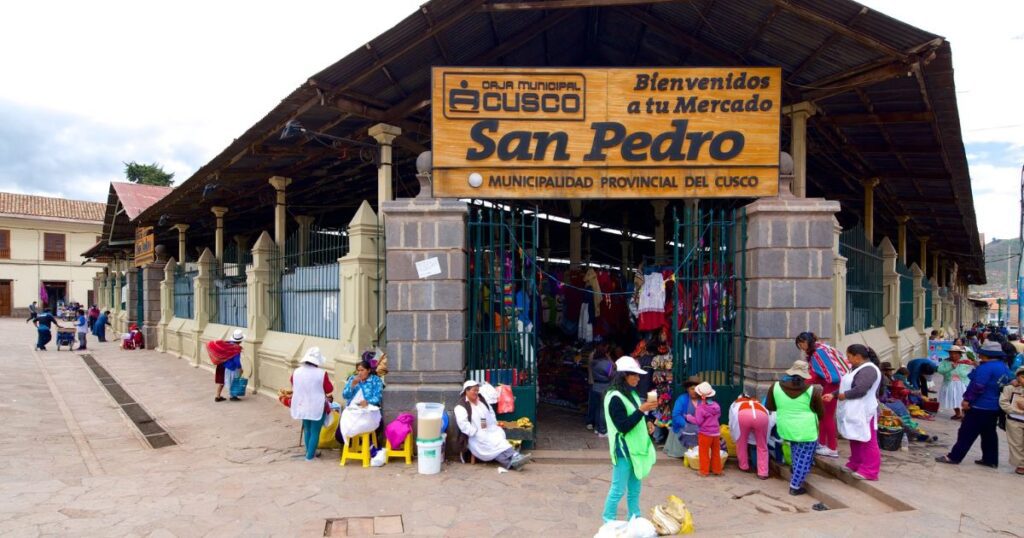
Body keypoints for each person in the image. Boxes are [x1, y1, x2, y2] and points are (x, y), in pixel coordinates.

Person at [936, 340, 1013, 468]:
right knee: (989, 434)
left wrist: (967, 400)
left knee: (966, 432)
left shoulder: (985, 368)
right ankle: (990, 460)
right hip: (994, 407)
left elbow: (978, 386)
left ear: (986, 355)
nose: (980, 356)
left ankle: (954, 457)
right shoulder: (1003, 367)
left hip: (979, 406)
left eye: (982, 354)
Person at [601, 356, 658, 523]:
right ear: (624, 375)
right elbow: (623, 426)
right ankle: (608, 520)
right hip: (623, 450)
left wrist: (647, 422)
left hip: (635, 448)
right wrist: (641, 410)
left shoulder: (631, 394)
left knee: (635, 488)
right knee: (618, 489)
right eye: (635, 375)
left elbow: (634, 415)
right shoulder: (614, 397)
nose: (638, 379)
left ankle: (635, 518)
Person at [823, 345, 882, 481]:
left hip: (865, 410)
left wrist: (843, 396)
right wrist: (833, 395)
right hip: (854, 410)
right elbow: (848, 386)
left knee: (868, 439)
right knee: (855, 437)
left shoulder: (869, 370)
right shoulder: (856, 369)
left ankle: (870, 470)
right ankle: (855, 463)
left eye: (849, 357)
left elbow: (860, 389)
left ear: (858, 357)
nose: (848, 360)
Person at [766, 360, 824, 496]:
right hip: (806, 429)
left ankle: (796, 469)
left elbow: (770, 406)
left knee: (795, 451)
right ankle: (795, 486)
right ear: (805, 375)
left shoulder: (775, 387)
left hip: (786, 427)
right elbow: (820, 412)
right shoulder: (812, 391)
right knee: (804, 456)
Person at [795, 332, 850, 457]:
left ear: (807, 342)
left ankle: (832, 447)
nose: (801, 346)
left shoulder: (818, 353)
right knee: (823, 415)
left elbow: (829, 375)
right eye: (799, 344)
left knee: (826, 416)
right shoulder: (823, 348)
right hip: (832, 385)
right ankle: (822, 443)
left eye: (801, 343)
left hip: (832, 386)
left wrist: (804, 381)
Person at [454, 380, 530, 470]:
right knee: (490, 445)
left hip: (489, 430)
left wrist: (493, 424)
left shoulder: (481, 399)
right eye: (474, 390)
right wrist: (475, 432)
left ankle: (512, 462)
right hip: (474, 436)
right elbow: (463, 424)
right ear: (466, 391)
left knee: (497, 438)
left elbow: (490, 412)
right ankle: (515, 456)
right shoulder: (460, 406)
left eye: (477, 390)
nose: (476, 393)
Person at [290, 347, 334, 461]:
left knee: (307, 429)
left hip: (302, 404)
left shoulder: (296, 371)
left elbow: (292, 382)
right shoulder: (321, 373)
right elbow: (329, 389)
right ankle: (310, 456)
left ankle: (309, 451)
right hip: (317, 405)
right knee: (315, 431)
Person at [338, 359, 385, 444]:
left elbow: (378, 397)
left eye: (362, 370)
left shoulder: (375, 380)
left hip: (369, 410)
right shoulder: (353, 379)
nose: (360, 373)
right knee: (341, 432)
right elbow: (345, 395)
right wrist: (352, 385)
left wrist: (368, 401)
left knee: (367, 426)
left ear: (369, 370)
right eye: (358, 370)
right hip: (353, 410)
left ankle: (364, 444)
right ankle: (352, 443)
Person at [729, 393, 771, 479]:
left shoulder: (735, 404)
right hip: (761, 416)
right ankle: (763, 472)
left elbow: (732, 422)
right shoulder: (758, 403)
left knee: (741, 443)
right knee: (762, 446)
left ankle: (743, 466)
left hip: (743, 415)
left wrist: (734, 436)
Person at [685, 382, 722, 477]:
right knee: (716, 452)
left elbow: (698, 421)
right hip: (716, 433)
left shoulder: (701, 408)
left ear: (701, 396)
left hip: (705, 434)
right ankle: (717, 470)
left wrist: (689, 417)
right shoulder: (716, 406)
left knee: (704, 453)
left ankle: (704, 471)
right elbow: (718, 416)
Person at [666, 376, 701, 458]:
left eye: (697, 389)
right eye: (692, 389)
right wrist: (686, 425)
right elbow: (676, 415)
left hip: (698, 428)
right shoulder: (682, 399)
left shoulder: (703, 400)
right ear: (688, 389)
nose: (694, 391)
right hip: (683, 427)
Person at [938, 346, 975, 420]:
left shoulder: (965, 361)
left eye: (955, 353)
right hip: (949, 383)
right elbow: (940, 370)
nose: (953, 355)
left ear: (960, 354)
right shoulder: (945, 361)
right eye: (951, 353)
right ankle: (958, 414)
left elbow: (971, 370)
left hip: (962, 383)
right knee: (953, 399)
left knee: (964, 399)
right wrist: (951, 368)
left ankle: (964, 415)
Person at [999, 367, 1024, 475]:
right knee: (1016, 443)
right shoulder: (1010, 388)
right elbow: (1003, 402)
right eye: (1022, 376)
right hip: (1014, 420)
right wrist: (1014, 410)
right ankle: (1021, 465)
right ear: (1017, 377)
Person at [587, 342, 614, 437]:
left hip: (595, 387)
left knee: (598, 409)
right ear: (605, 353)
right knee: (603, 410)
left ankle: (597, 428)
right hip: (604, 387)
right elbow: (612, 375)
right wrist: (610, 359)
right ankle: (602, 430)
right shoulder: (607, 364)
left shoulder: (593, 363)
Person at [212, 330, 245, 402]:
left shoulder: (227, 344)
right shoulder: (236, 348)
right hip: (231, 367)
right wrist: (240, 368)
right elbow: (237, 361)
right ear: (240, 341)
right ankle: (233, 396)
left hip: (222, 365)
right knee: (233, 380)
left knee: (222, 382)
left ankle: (218, 396)